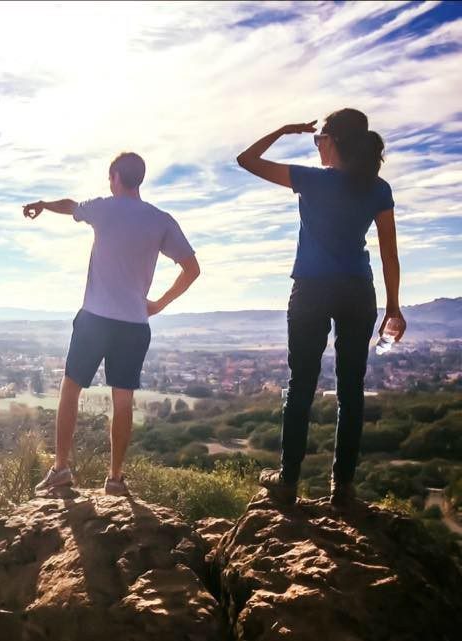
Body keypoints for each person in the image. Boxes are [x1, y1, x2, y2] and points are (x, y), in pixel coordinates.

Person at [236, 108, 405, 507]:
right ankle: (342, 489)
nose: (316, 147)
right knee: (351, 391)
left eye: (318, 139)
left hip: (311, 291)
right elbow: (389, 255)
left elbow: (246, 160)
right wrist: (394, 307)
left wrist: (282, 128)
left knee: (301, 387)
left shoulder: (310, 180)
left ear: (333, 142)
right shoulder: (377, 188)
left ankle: (288, 482)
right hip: (357, 292)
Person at [23, 152, 200, 496]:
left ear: (116, 176)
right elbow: (192, 269)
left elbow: (70, 205)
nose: (108, 182)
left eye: (109, 177)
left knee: (70, 390)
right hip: (135, 323)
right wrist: (158, 305)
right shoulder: (160, 219)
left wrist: (43, 204)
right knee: (123, 400)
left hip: (95, 319)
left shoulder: (104, 208)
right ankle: (115, 479)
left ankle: (61, 469)